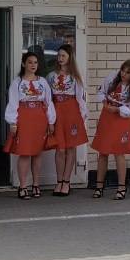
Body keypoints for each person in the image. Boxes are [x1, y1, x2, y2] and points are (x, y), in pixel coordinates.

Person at [4, 50, 56, 200]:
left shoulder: (42, 82)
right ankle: (22, 186)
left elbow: (48, 101)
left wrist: (51, 121)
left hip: (40, 119)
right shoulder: (17, 82)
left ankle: (36, 185)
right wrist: (13, 122)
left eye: (35, 62)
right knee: (25, 152)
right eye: (30, 62)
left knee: (37, 153)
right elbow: (13, 102)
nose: (33, 65)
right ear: (23, 64)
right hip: (24, 118)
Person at [92, 59, 130, 201]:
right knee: (103, 151)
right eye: (122, 70)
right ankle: (99, 186)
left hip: (121, 119)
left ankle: (121, 187)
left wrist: (117, 109)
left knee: (119, 152)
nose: (123, 74)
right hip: (107, 116)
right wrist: (105, 104)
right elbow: (101, 91)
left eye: (128, 72)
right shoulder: (112, 78)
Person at [46, 44, 87, 197]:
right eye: (59, 55)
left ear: (70, 58)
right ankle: (59, 181)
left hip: (71, 112)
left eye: (63, 55)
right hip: (57, 111)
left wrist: (82, 116)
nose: (60, 58)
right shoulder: (51, 76)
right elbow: (47, 97)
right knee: (60, 149)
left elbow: (81, 98)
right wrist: (49, 118)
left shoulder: (75, 77)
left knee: (70, 148)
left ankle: (66, 181)